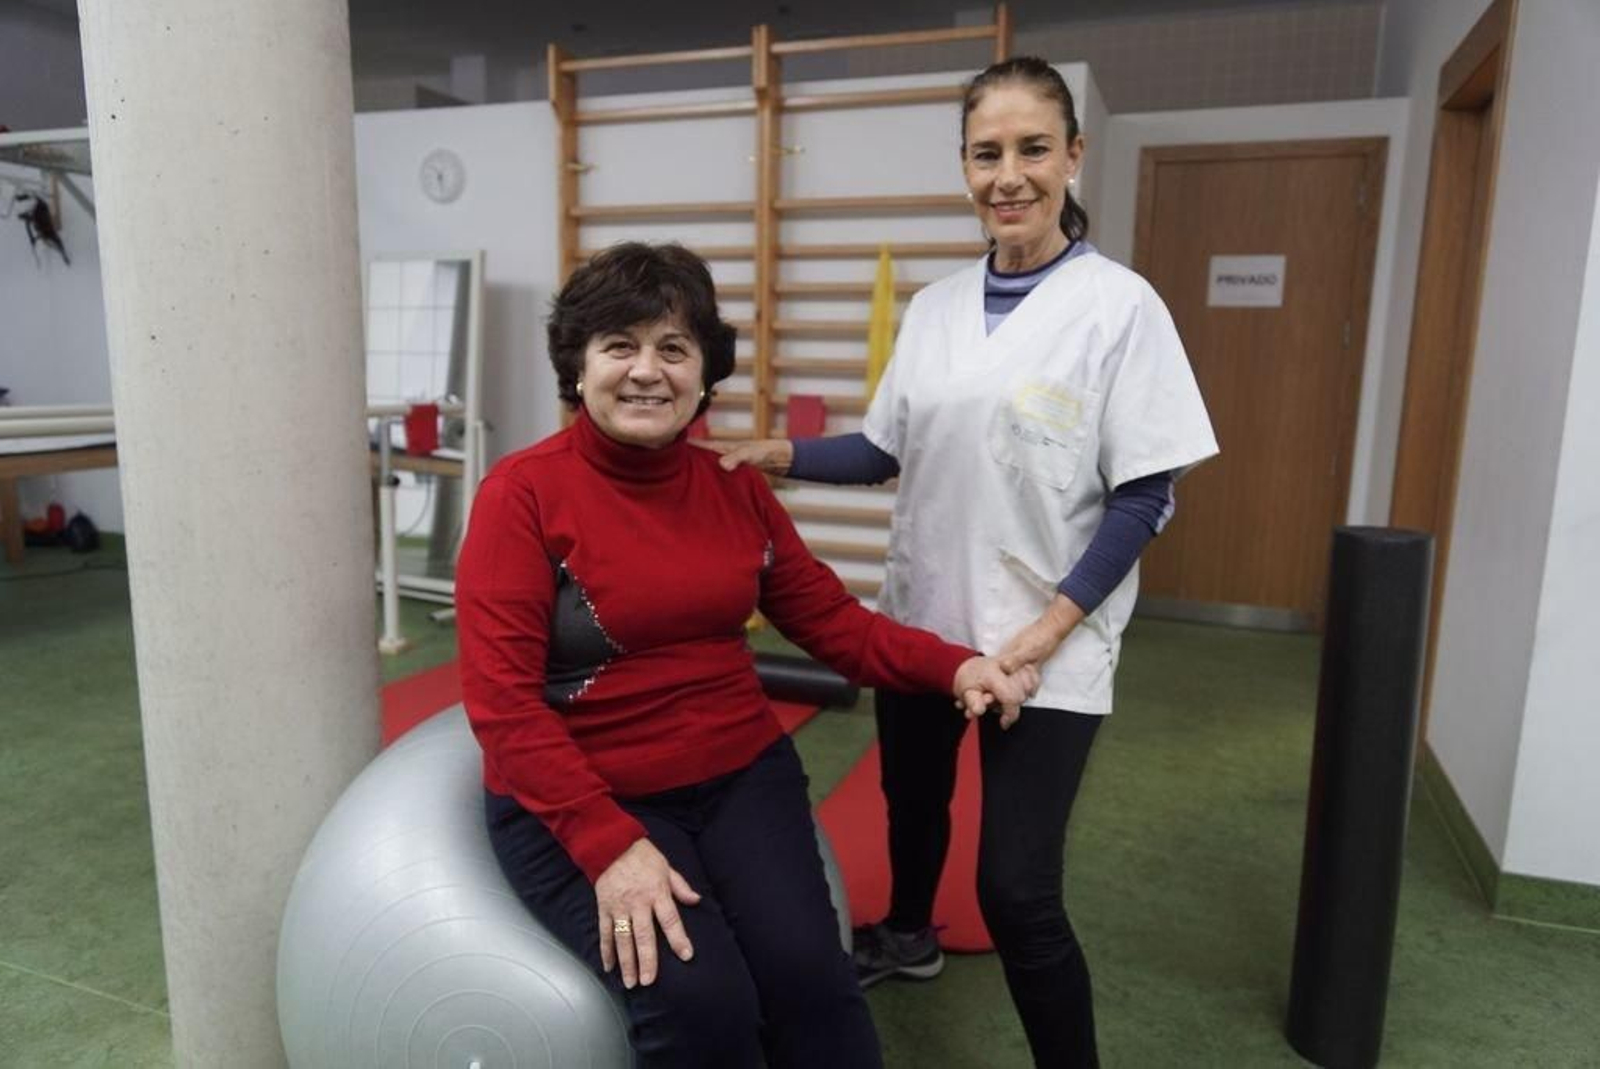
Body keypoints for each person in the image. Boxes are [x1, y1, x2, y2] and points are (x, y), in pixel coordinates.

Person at [702, 57, 1219, 1068]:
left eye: (1032, 149)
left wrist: (1050, 625)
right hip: (926, 623)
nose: (1009, 175)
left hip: (1048, 647)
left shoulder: (1120, 308)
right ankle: (907, 936)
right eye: (988, 153)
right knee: (912, 804)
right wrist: (780, 453)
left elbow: (1145, 493)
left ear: (1073, 155)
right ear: (965, 166)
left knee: (1017, 892)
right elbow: (884, 450)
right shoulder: (937, 307)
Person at [455, 241, 1038, 1068]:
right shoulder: (523, 495)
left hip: (739, 776)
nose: (647, 371)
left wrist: (957, 665)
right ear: (577, 367)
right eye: (619, 345)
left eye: (673, 348)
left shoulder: (734, 487)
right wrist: (612, 847)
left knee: (813, 983)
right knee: (704, 1005)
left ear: (703, 372)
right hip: (591, 792)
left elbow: (837, 624)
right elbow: (504, 707)